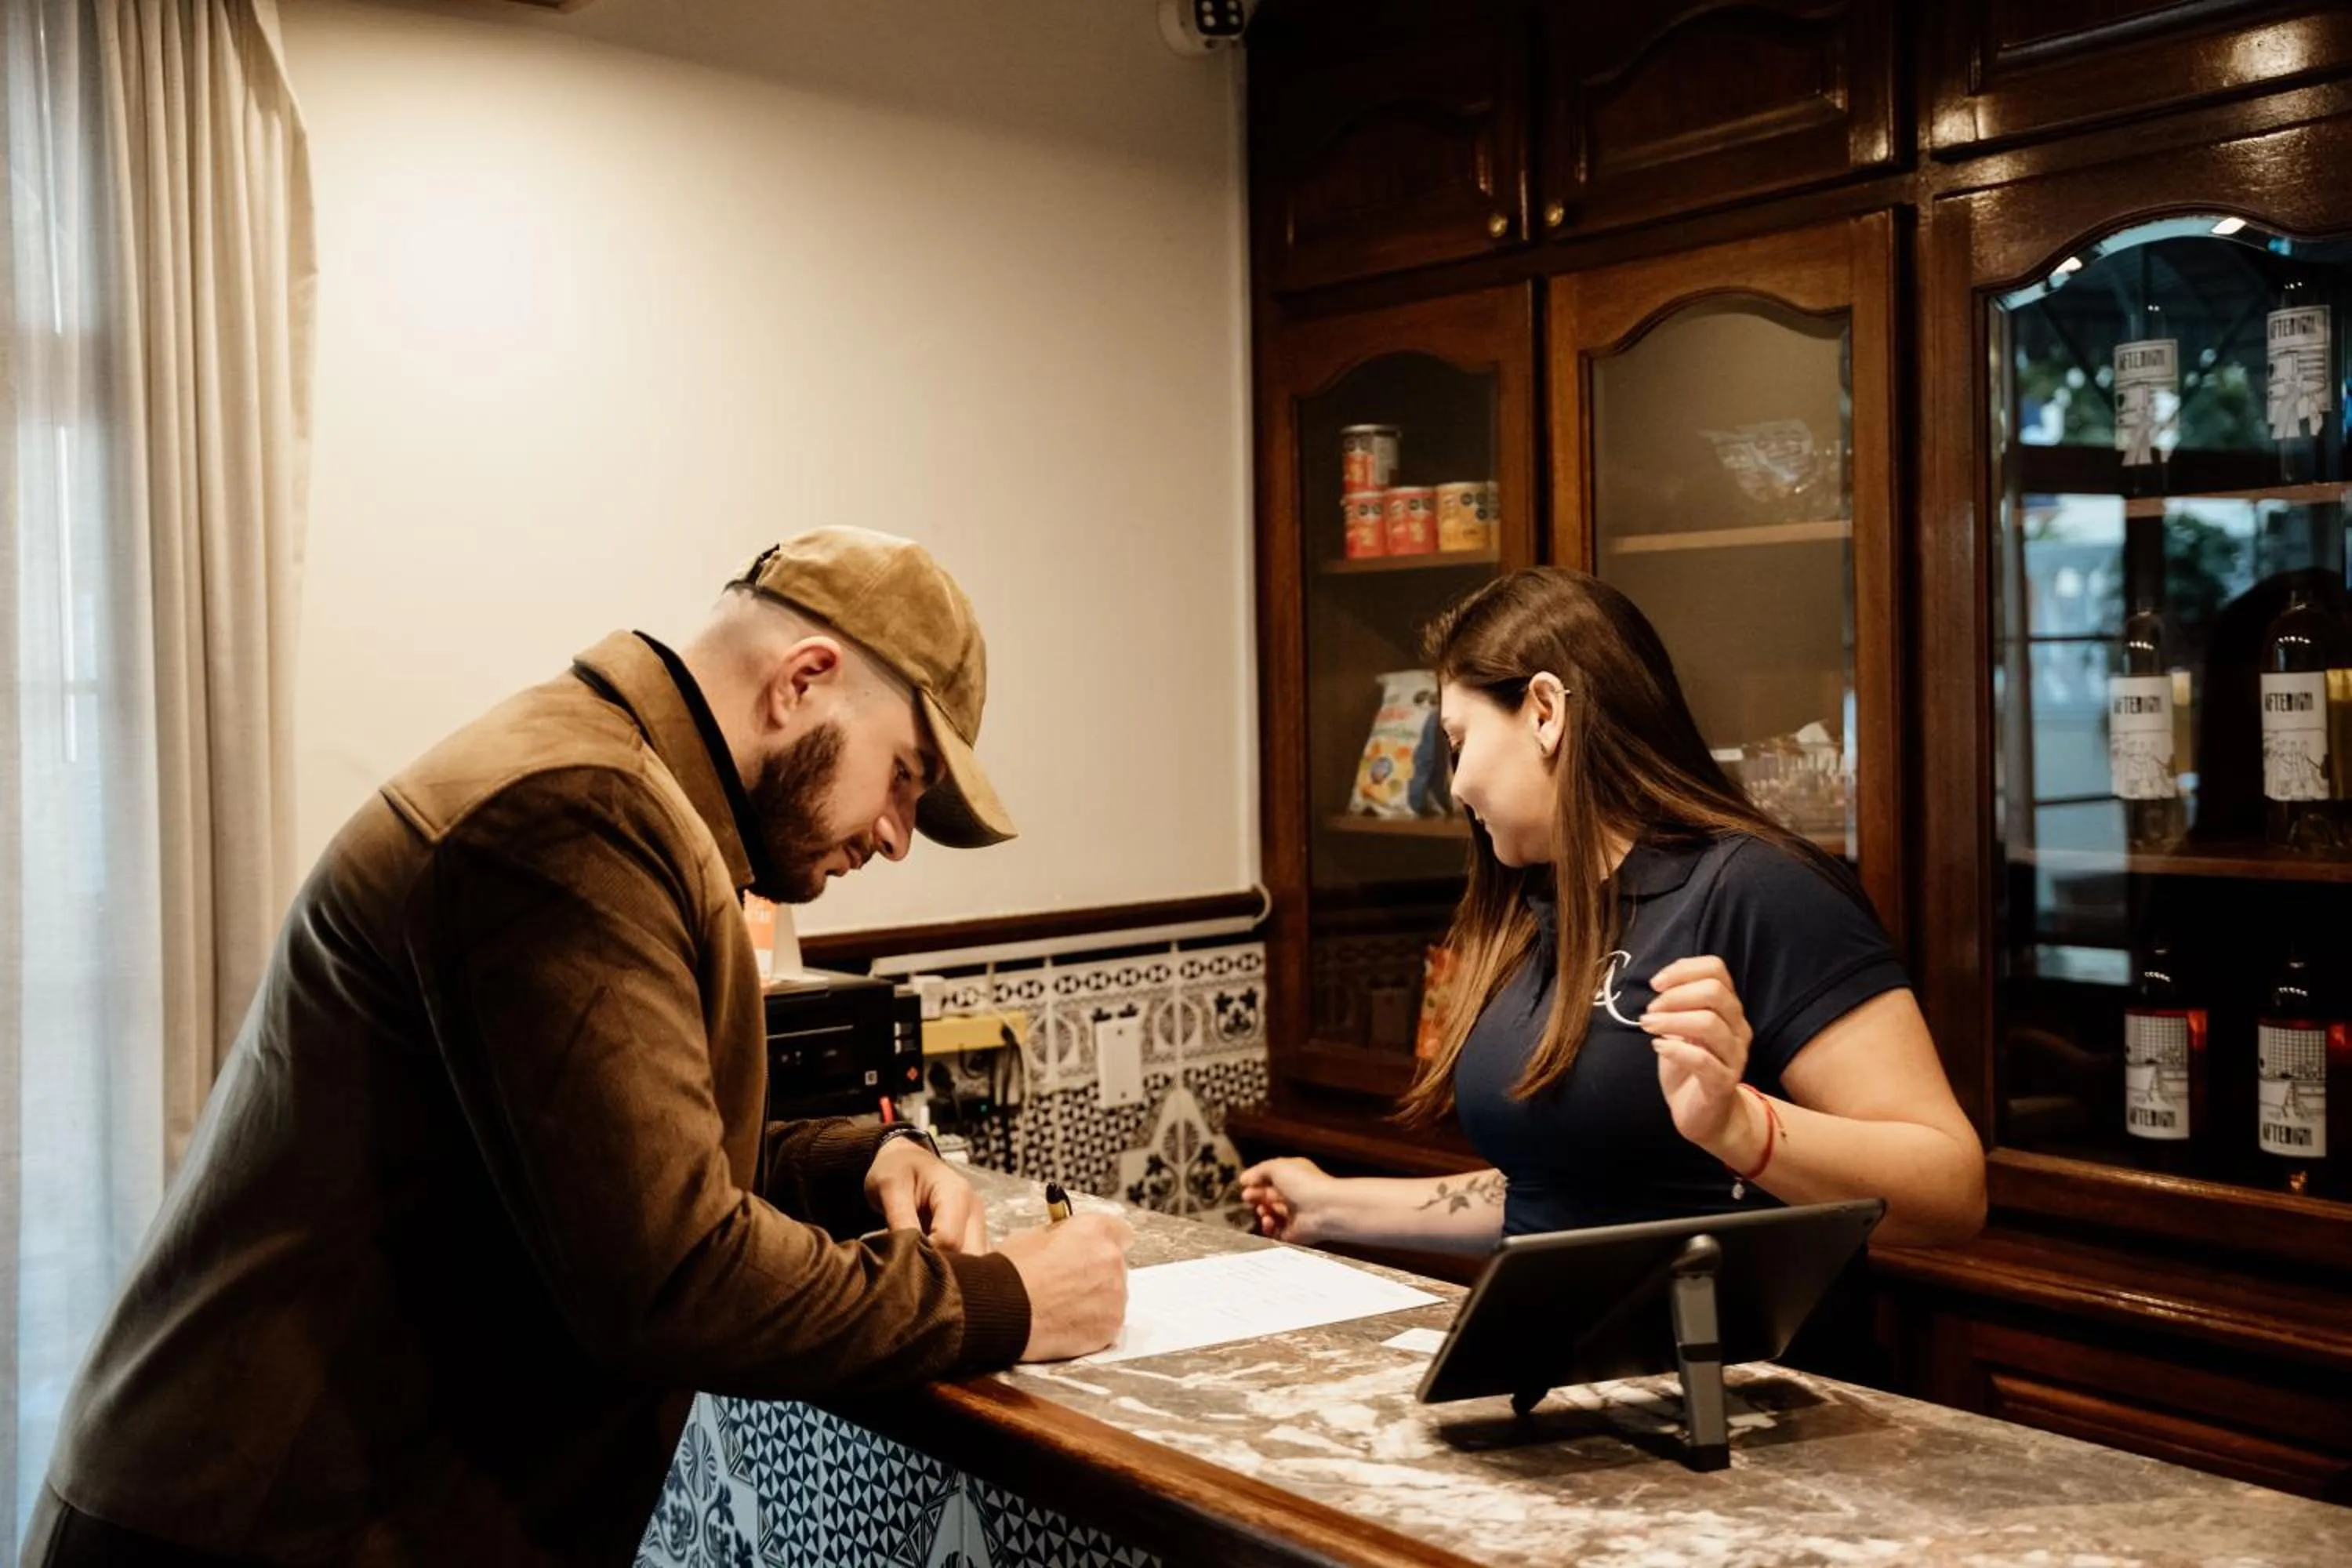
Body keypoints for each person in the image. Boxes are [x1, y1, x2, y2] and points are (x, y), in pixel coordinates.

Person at [25, 528, 1131, 1567]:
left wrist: (858, 1163)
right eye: (904, 776)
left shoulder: (613, 790)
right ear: (803, 680)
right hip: (258, 1528)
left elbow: (607, 1167)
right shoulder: (579, 813)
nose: (895, 836)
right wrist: (1004, 1300)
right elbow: (675, 1280)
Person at [1241, 568, 1984, 1287]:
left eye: (1460, 744)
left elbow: (1950, 1191)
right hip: (1566, 1357)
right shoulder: (1538, 908)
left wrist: (1737, 1124)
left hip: (1730, 1364)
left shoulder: (1758, 888)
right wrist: (1333, 1204)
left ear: (1545, 711)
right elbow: (1568, 1186)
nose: (1457, 785)